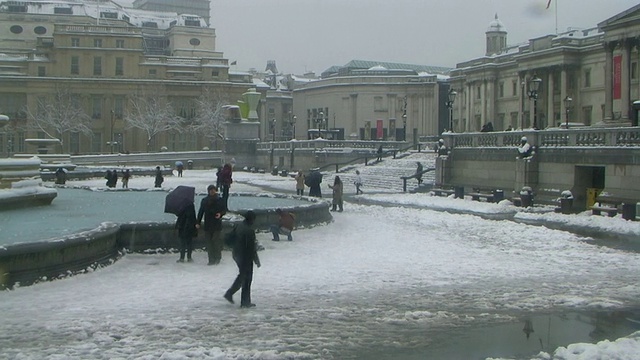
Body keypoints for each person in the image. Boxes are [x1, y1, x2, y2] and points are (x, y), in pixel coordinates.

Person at [224, 210, 261, 308]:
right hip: (245, 257)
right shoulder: (249, 231)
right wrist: (256, 260)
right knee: (247, 278)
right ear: (252, 219)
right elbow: (251, 248)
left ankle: (232, 294)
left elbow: (230, 237)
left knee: (242, 276)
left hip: (237, 254)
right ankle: (244, 301)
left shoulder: (239, 226)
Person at [196, 185, 226, 265]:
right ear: (208, 191)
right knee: (209, 243)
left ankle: (217, 257)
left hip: (216, 224)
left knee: (215, 241)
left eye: (213, 190)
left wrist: (220, 214)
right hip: (208, 224)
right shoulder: (205, 200)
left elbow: (224, 210)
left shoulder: (220, 200)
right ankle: (211, 259)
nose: (212, 191)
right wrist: (198, 222)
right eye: (210, 190)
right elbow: (201, 212)